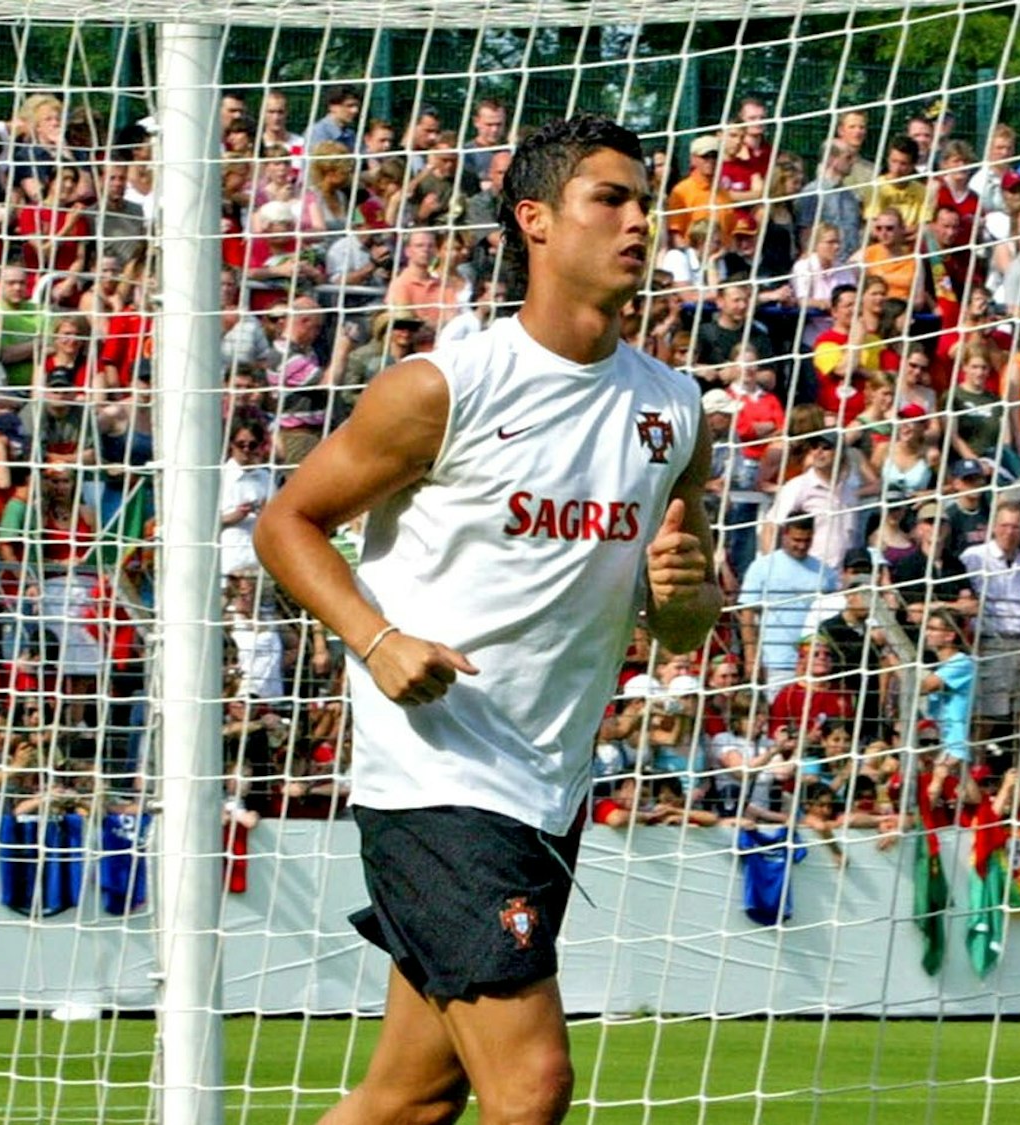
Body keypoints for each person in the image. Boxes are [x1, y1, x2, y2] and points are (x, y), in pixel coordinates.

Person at [253, 116, 717, 1125]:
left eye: (646, 202)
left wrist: (686, 597)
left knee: (411, 1099)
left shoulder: (675, 409)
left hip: (547, 783)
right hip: (437, 772)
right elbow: (286, 523)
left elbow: (684, 618)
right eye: (611, 199)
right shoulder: (444, 387)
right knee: (531, 1084)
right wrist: (377, 639)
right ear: (535, 220)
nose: (641, 221)